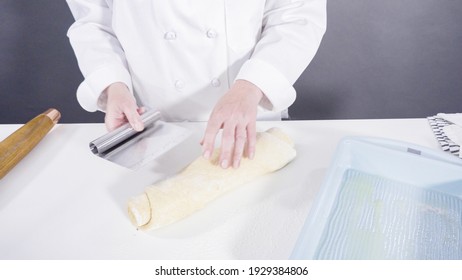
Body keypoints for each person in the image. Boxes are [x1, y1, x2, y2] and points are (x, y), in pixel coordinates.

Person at [66, 0, 326, 169]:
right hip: (151, 124)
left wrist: (251, 85)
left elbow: (297, 16)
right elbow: (93, 21)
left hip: (249, 119)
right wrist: (113, 85)